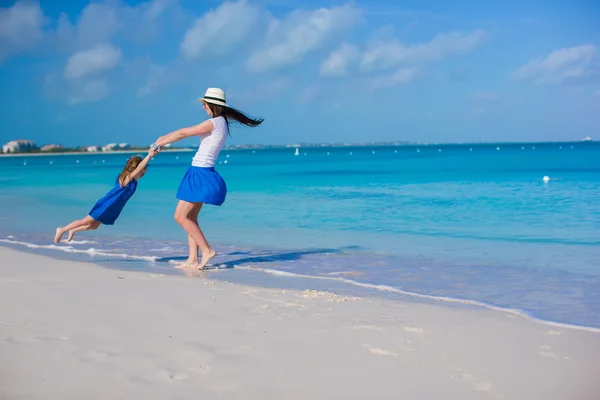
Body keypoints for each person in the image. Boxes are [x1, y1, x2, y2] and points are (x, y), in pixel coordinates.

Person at [151, 87, 263, 270]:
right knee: (191, 217)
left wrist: (159, 142)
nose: (203, 106)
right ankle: (193, 260)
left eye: (205, 104)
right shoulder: (222, 122)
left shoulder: (215, 122)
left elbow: (183, 132)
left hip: (200, 173)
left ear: (213, 105)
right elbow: (181, 132)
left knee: (180, 216)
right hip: (202, 172)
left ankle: (207, 250)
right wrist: (161, 139)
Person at [53, 149, 157, 244]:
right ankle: (62, 230)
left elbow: (139, 168)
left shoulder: (131, 180)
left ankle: (73, 230)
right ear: (135, 170)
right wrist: (149, 156)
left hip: (113, 207)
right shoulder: (127, 178)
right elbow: (139, 167)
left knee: (94, 226)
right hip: (106, 204)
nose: (141, 175)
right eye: (141, 174)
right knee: (85, 221)